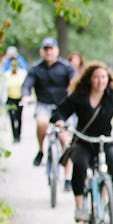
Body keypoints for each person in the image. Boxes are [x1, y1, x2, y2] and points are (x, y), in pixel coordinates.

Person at [51, 61, 113, 221]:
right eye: (96, 77)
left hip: (104, 142)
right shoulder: (78, 97)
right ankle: (79, 207)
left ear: (108, 79)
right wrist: (60, 121)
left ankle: (103, 204)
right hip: (83, 142)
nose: (100, 81)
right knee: (80, 165)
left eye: (103, 77)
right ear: (90, 79)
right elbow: (60, 112)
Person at [21, 37, 75, 170]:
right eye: (46, 49)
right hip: (44, 105)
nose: (48, 52)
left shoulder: (66, 68)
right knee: (41, 122)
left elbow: (75, 82)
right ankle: (41, 150)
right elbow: (27, 84)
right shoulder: (36, 69)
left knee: (65, 139)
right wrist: (26, 96)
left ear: (57, 51)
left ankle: (68, 176)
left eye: (51, 49)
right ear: (41, 52)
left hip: (63, 107)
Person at [1, 59, 28, 143]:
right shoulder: (6, 75)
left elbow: (25, 86)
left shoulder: (22, 74)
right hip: (10, 99)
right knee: (12, 118)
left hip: (19, 98)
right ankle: (15, 136)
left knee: (19, 117)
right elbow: (2, 88)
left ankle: (19, 135)